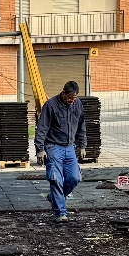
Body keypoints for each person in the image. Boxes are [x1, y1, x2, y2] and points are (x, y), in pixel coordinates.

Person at [34, 80, 87, 222]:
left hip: (69, 147)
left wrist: (82, 145)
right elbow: (42, 128)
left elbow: (81, 125)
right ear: (63, 93)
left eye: (74, 98)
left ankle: (54, 197)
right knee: (56, 179)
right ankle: (60, 213)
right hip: (53, 146)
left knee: (74, 178)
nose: (71, 100)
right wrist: (40, 149)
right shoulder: (50, 106)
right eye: (69, 97)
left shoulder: (77, 104)